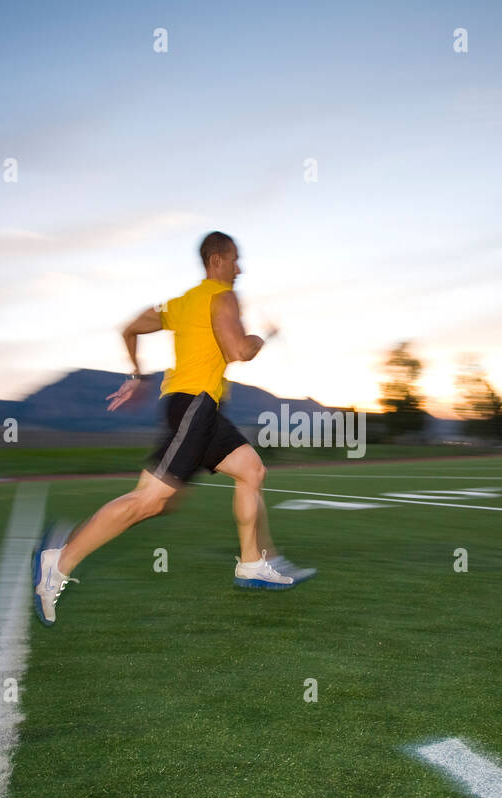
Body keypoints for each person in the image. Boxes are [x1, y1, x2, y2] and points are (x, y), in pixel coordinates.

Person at [31, 231, 315, 626]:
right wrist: (262, 336)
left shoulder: (182, 304)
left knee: (251, 470)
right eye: (234, 259)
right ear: (216, 261)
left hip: (201, 410)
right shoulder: (223, 295)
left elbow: (128, 327)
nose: (239, 267)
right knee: (149, 501)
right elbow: (238, 351)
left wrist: (136, 375)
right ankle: (58, 562)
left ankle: (251, 563)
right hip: (194, 407)